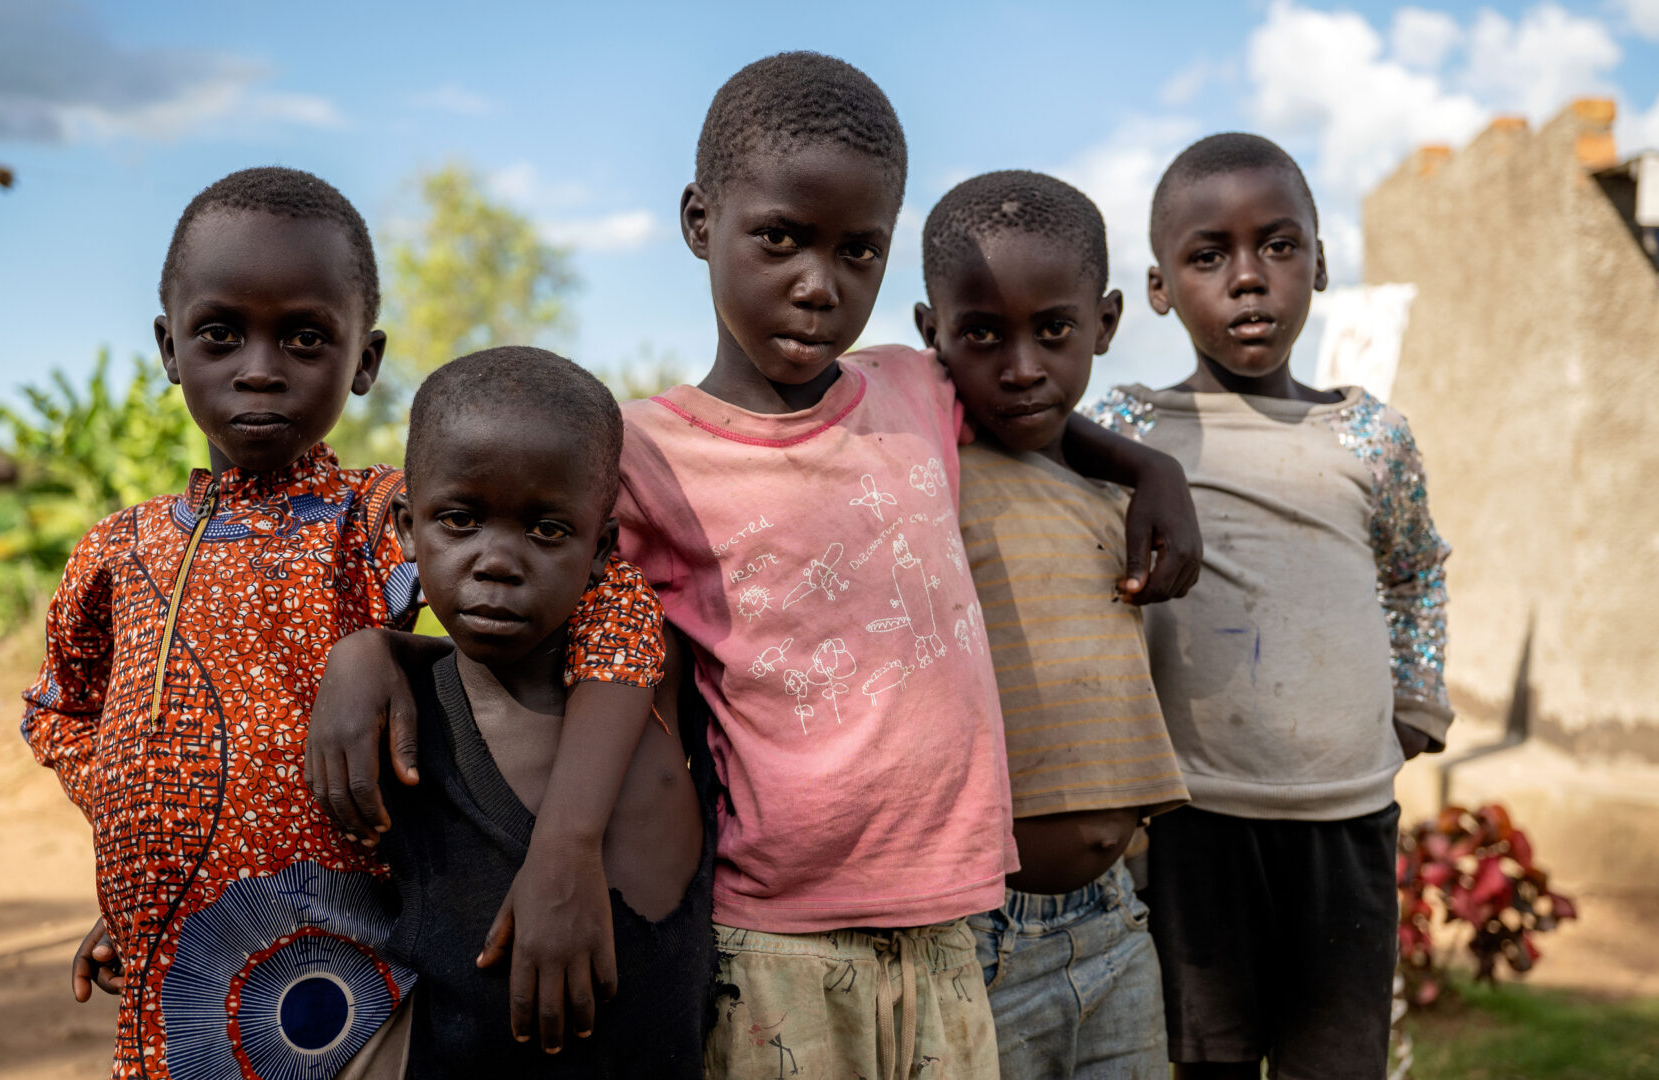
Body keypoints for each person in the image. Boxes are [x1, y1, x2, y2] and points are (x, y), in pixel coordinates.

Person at [312, 51, 1201, 1080]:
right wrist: (373, 650)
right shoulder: (637, 456)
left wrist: (1150, 470)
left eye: (858, 251)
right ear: (701, 222)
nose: (818, 284)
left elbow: (1030, 402)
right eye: (779, 238)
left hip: (955, 927)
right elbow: (512, 570)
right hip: (775, 941)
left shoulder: (913, 388)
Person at [23, 166, 662, 1079]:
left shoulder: (389, 523)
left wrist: (565, 839)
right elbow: (61, 711)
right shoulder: (116, 552)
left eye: (305, 338)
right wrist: (154, 856)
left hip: (360, 1004)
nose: (258, 366)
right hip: (174, 997)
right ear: (170, 349)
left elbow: (618, 608)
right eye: (219, 333)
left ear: (364, 361)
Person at [1086, 133, 1455, 1080]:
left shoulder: (1368, 434)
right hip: (1192, 823)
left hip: (1349, 821)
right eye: (1209, 256)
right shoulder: (1127, 431)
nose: (1248, 280)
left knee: (1334, 1062)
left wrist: (1412, 707)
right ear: (1161, 288)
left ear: (1320, 264)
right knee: (1200, 1059)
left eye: (1278, 247)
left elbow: (1414, 570)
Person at [913, 170, 1192, 1079]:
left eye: (1055, 331)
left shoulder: (1106, 491)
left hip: (1117, 922)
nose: (1022, 365)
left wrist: (1154, 469)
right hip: (984, 936)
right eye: (982, 335)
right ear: (931, 336)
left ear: (1106, 324)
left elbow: (1062, 428)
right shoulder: (927, 469)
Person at [373, 346, 713, 1076]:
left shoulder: (657, 678)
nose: (498, 560)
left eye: (547, 530)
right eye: (460, 519)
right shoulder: (398, 724)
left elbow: (630, 626)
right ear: (406, 525)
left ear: (603, 549)